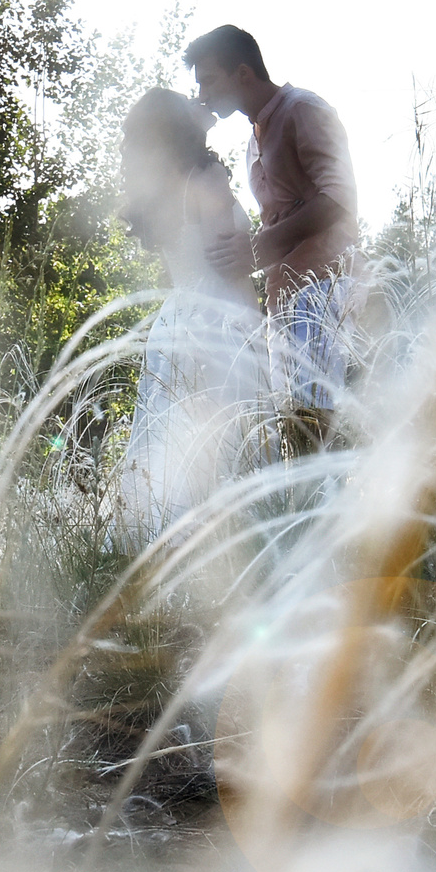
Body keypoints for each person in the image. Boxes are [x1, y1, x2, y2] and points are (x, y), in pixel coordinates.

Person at [185, 25, 360, 447]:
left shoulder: (303, 110)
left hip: (323, 286)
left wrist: (260, 248)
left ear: (243, 73)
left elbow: (338, 198)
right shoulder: (252, 140)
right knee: (294, 432)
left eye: (209, 80)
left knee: (314, 433)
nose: (203, 94)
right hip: (283, 300)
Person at [112, 88, 262, 545]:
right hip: (221, 319)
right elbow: (229, 258)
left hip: (177, 321)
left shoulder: (157, 191)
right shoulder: (208, 176)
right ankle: (231, 543)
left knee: (171, 439)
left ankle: (164, 541)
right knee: (230, 432)